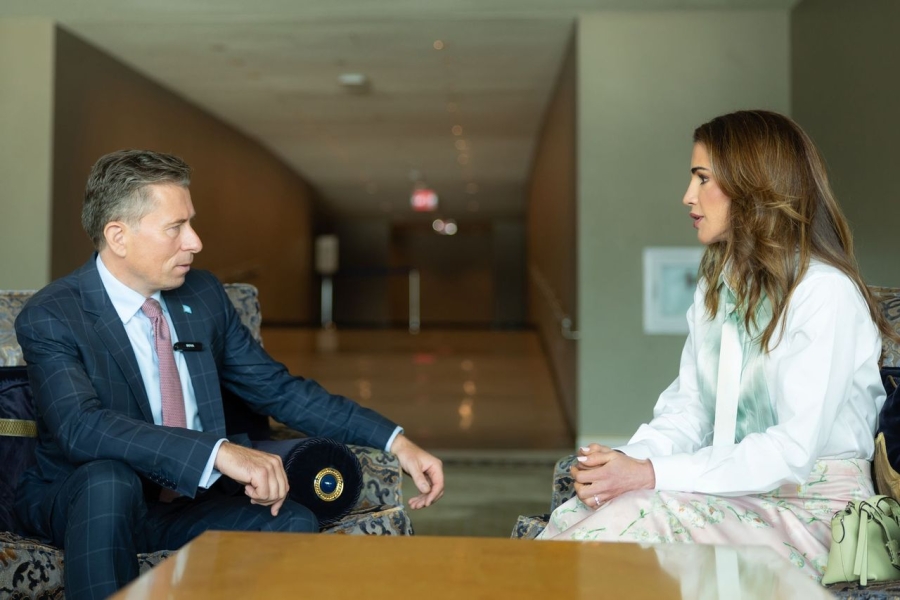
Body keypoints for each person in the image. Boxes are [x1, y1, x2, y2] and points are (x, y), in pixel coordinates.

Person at [14, 150, 445, 599]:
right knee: (109, 480)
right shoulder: (54, 314)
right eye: (176, 227)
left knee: (291, 521)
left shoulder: (202, 295)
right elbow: (80, 427)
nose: (195, 242)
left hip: (186, 503)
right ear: (118, 236)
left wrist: (396, 442)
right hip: (86, 502)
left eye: (191, 223)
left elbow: (278, 390)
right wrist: (216, 452)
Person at [538, 110, 896, 581]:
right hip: (735, 496)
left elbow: (791, 452)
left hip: (817, 515)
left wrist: (650, 474)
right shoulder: (719, 289)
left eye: (702, 178)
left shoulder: (824, 293)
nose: (688, 196)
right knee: (585, 512)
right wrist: (626, 463)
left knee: (636, 517)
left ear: (753, 187)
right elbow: (689, 410)